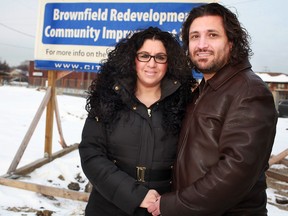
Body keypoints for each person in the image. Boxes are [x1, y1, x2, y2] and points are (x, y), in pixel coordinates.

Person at [148, 3, 278, 216]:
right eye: (194, 37)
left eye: (212, 35)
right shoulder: (205, 89)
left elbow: (234, 174)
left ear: (231, 42)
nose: (202, 45)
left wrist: (173, 204)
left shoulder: (249, 91)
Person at [78, 26, 196, 216]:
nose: (152, 63)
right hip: (108, 205)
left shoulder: (185, 103)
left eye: (160, 57)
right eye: (144, 55)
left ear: (169, 62)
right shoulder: (108, 97)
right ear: (133, 59)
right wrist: (135, 195)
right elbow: (91, 154)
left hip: (162, 207)